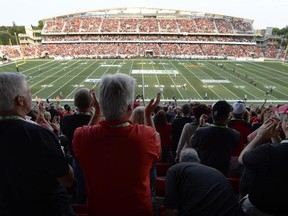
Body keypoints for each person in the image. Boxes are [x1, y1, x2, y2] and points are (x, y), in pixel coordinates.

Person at [72, 73, 161, 216]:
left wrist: (97, 113)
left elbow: (85, 136)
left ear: (100, 104)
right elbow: (158, 154)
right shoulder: (147, 136)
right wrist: (148, 115)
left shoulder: (81, 136)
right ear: (130, 106)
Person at [0, 72, 74, 216]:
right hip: (45, 208)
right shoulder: (39, 134)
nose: (31, 95)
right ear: (20, 100)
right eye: (28, 92)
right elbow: (67, 180)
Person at [164, 148, 244, 216]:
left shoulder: (174, 169)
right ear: (199, 160)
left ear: (179, 161)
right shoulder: (214, 171)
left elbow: (172, 211)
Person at [238, 115, 288, 215]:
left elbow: (242, 159)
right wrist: (274, 135)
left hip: (261, 209)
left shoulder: (267, 150)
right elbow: (282, 152)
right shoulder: (271, 151)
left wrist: (259, 136)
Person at [61, 88, 94, 204]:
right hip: (94, 160)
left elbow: (64, 132)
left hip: (77, 158)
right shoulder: (95, 120)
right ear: (91, 103)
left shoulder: (67, 119)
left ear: (75, 103)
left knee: (81, 186)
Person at [190, 100, 240, 176]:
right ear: (228, 117)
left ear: (212, 115)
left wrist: (200, 126)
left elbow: (192, 143)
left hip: (203, 171)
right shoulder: (235, 134)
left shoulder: (201, 132)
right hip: (222, 173)